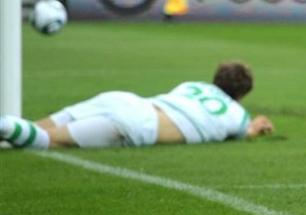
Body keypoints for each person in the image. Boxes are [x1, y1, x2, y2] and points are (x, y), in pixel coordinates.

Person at [0, 62, 273, 149]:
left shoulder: (193, 85)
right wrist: (257, 126)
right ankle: (5, 124)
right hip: (139, 124)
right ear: (242, 95)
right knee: (48, 141)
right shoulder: (237, 114)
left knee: (33, 128)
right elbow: (244, 132)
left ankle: (8, 126)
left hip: (124, 99)